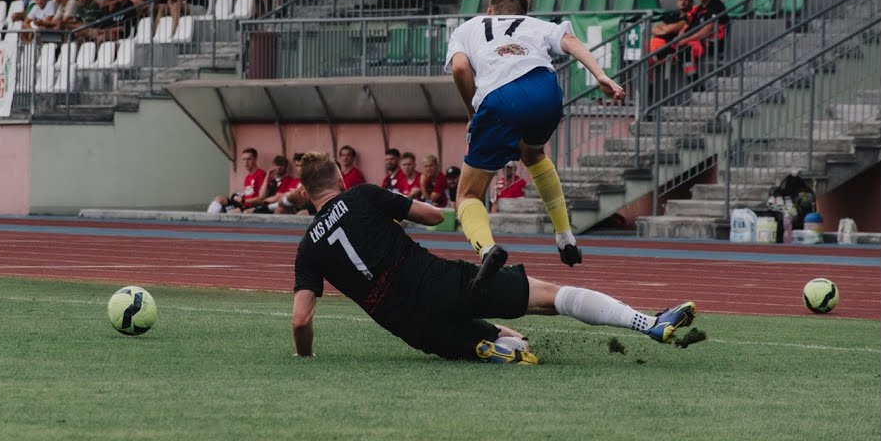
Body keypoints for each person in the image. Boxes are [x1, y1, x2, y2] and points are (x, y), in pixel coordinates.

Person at [290, 152, 699, 362]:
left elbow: (301, 319)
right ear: (342, 181)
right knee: (551, 296)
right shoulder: (363, 196)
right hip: (439, 282)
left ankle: (493, 347)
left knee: (508, 339)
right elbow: (433, 217)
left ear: (308, 194)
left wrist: (304, 356)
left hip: (409, 326)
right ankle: (649, 323)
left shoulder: (308, 247)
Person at [444, 0, 626, 289]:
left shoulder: (469, 27)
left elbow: (460, 68)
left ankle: (488, 250)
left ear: (490, 10)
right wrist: (600, 75)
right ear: (522, 12)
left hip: (500, 98)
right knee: (534, 155)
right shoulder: (536, 25)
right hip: (546, 92)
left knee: (468, 194)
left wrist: (473, 113)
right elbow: (570, 41)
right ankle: (565, 235)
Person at [208, 148, 266, 213]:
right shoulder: (248, 177)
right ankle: (207, 218)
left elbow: (262, 197)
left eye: (249, 159)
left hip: (250, 207)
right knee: (219, 199)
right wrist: (238, 197)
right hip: (242, 204)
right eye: (244, 159)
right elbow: (249, 194)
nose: (246, 162)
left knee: (230, 212)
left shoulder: (261, 174)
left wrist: (244, 200)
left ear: (255, 159)